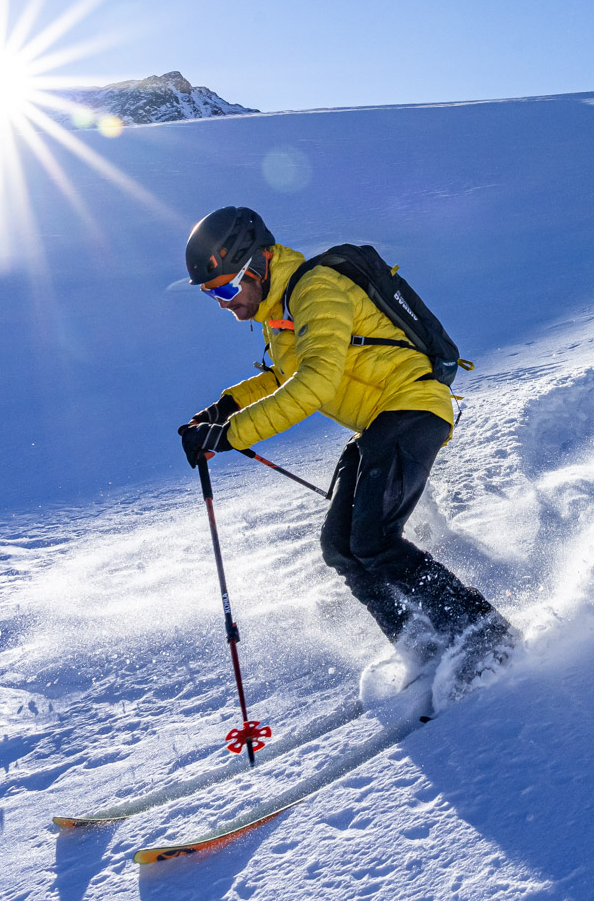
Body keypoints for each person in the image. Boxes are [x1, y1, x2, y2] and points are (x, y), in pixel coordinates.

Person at [177, 206, 516, 698]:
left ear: (257, 265)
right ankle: (422, 645)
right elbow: (282, 377)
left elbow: (314, 383)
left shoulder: (317, 291)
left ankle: (487, 637)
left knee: (374, 540)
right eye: (212, 294)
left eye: (226, 288)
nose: (224, 304)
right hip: (381, 422)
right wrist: (221, 410)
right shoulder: (283, 313)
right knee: (341, 547)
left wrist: (230, 434)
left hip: (412, 408)